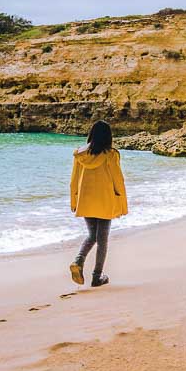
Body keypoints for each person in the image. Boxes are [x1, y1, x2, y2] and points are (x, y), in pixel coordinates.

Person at [69, 119, 127, 287]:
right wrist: (122, 204)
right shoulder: (111, 154)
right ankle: (97, 276)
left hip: (85, 200)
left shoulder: (79, 154)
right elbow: (118, 180)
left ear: (91, 135)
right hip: (105, 200)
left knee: (92, 235)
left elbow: (73, 181)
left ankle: (78, 261)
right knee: (102, 239)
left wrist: (74, 201)